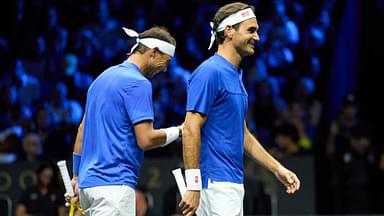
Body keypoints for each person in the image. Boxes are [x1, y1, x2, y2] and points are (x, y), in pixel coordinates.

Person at [179, 3, 300, 216]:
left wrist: (277, 169)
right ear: (228, 31)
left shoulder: (236, 76)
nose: (258, 37)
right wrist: (194, 184)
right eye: (251, 30)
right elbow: (190, 128)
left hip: (230, 184)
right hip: (214, 184)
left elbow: (242, 134)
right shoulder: (210, 72)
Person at [69, 26, 182, 215]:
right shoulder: (139, 83)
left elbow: (82, 130)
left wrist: (76, 176)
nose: (165, 69)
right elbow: (145, 139)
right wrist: (179, 131)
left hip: (87, 187)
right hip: (114, 189)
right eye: (166, 61)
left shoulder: (100, 80)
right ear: (153, 52)